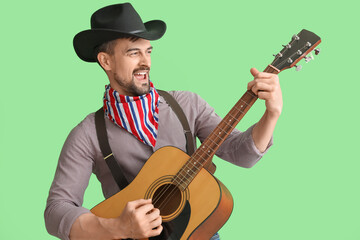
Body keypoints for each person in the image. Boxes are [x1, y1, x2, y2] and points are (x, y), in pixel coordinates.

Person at [44, 3, 283, 240]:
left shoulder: (187, 105)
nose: (145, 62)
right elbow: (57, 210)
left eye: (148, 51)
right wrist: (118, 227)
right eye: (133, 52)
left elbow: (240, 154)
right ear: (106, 61)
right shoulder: (88, 134)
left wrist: (271, 114)